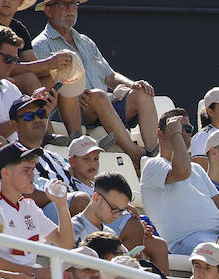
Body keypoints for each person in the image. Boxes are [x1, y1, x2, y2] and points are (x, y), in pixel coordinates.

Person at [33, 0, 158, 161]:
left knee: (142, 93)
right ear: (48, 11)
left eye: (74, 4)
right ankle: (136, 156)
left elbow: (110, 76)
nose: (70, 9)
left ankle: (153, 155)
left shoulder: (85, 41)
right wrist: (74, 94)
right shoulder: (41, 45)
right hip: (69, 112)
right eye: (64, 5)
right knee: (99, 96)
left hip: (104, 105)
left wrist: (132, 84)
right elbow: (42, 88)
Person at [0, 141, 73, 279]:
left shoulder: (29, 205)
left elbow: (65, 243)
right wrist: (33, 272)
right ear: (6, 173)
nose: (33, 175)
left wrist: (61, 205)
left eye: (33, 170)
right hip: (5, 278)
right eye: (26, 170)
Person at [138, 109, 219, 256]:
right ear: (160, 134)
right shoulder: (154, 165)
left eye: (187, 129)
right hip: (186, 241)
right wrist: (176, 135)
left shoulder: (197, 168)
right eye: (178, 129)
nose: (184, 133)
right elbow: (182, 171)